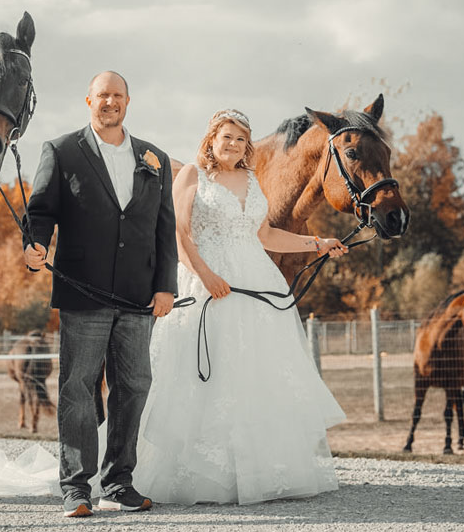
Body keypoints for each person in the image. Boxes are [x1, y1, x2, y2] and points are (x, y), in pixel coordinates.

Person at [131, 109, 347, 505]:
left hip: (256, 283)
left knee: (255, 374)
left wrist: (316, 243)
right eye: (226, 136)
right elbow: (177, 235)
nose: (233, 144)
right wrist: (207, 275)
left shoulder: (251, 179)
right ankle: (193, 474)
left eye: (241, 139)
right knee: (202, 378)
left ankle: (259, 470)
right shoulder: (191, 175)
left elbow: (264, 234)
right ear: (211, 138)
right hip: (207, 286)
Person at [23, 71, 178, 517]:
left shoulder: (155, 158)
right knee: (77, 387)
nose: (110, 102)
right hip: (82, 291)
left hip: (138, 297)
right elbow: (41, 211)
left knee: (133, 386)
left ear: (128, 101)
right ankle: (76, 487)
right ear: (87, 100)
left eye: (118, 95)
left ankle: (118, 481)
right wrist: (33, 246)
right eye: (102, 95)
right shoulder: (62, 150)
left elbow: (163, 229)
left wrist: (165, 285)